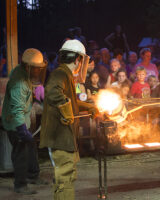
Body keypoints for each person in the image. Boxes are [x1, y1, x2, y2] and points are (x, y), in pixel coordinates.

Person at [39, 40, 99, 200]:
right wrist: (66, 109)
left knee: (66, 178)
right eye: (81, 60)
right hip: (60, 139)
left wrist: (87, 106)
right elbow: (52, 92)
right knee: (65, 179)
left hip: (64, 138)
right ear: (78, 60)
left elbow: (69, 99)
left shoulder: (65, 74)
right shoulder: (60, 74)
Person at [1, 48, 48, 194]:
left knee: (31, 146)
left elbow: (24, 97)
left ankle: (32, 176)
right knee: (20, 151)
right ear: (28, 67)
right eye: (36, 69)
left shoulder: (22, 72)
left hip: (22, 120)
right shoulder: (19, 83)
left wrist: (33, 94)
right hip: (15, 123)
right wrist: (21, 130)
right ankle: (20, 185)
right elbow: (16, 109)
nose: (38, 72)